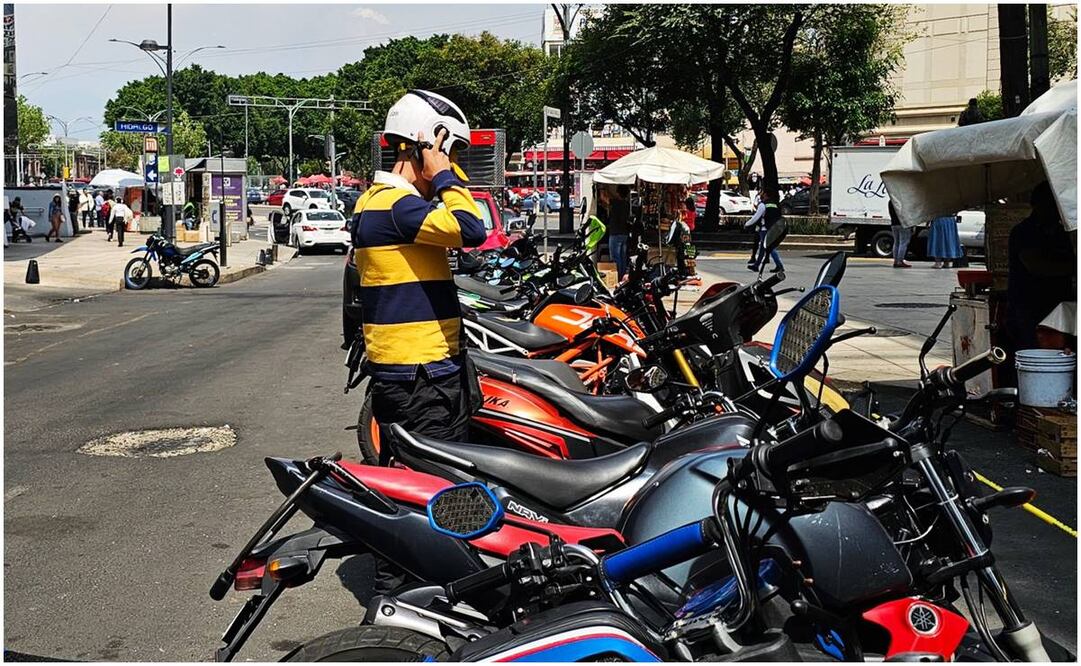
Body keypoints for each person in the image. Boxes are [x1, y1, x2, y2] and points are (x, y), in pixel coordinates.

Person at [352, 89, 486, 465]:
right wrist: (441, 172)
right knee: (439, 487)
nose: (447, 167)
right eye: (446, 153)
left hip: (417, 373)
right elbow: (472, 229)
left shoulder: (377, 202)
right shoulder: (396, 207)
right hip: (421, 379)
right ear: (424, 144)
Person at [1006, 181, 1076, 351]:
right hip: (1029, 308)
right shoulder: (1023, 232)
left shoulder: (1062, 233)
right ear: (1036, 205)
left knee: (1062, 354)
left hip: (1060, 306)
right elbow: (1036, 265)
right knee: (1034, 354)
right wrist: (1073, 268)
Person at [745, 188, 784, 273]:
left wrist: (747, 224)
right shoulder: (774, 204)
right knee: (762, 248)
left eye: (762, 193)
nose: (761, 194)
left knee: (770, 247)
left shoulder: (762, 205)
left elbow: (756, 217)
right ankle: (756, 265)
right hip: (774, 228)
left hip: (765, 229)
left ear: (765, 194)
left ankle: (779, 266)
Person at [606, 185, 632, 281]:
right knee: (622, 257)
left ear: (618, 193)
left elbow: (604, 198)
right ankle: (623, 277)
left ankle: (617, 278)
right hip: (624, 233)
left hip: (615, 233)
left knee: (615, 257)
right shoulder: (626, 204)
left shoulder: (615, 203)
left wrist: (603, 187)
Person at [888, 200, 912, 268]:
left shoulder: (890, 201)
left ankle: (895, 260)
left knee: (896, 242)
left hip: (894, 224)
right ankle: (900, 261)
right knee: (903, 242)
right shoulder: (902, 201)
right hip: (903, 224)